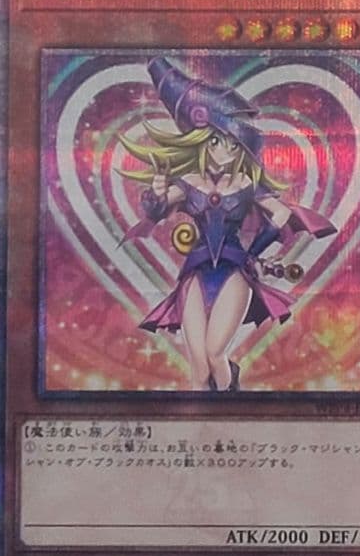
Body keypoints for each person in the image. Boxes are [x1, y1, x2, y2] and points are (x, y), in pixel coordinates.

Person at [120, 57, 336, 392]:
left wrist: (255, 251)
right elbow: (157, 210)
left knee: (215, 354)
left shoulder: (246, 184)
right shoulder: (189, 182)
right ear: (200, 141)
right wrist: (157, 194)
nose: (224, 151)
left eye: (233, 145)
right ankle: (200, 420)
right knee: (197, 366)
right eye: (216, 142)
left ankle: (230, 400)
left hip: (234, 272)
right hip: (195, 272)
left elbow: (280, 214)